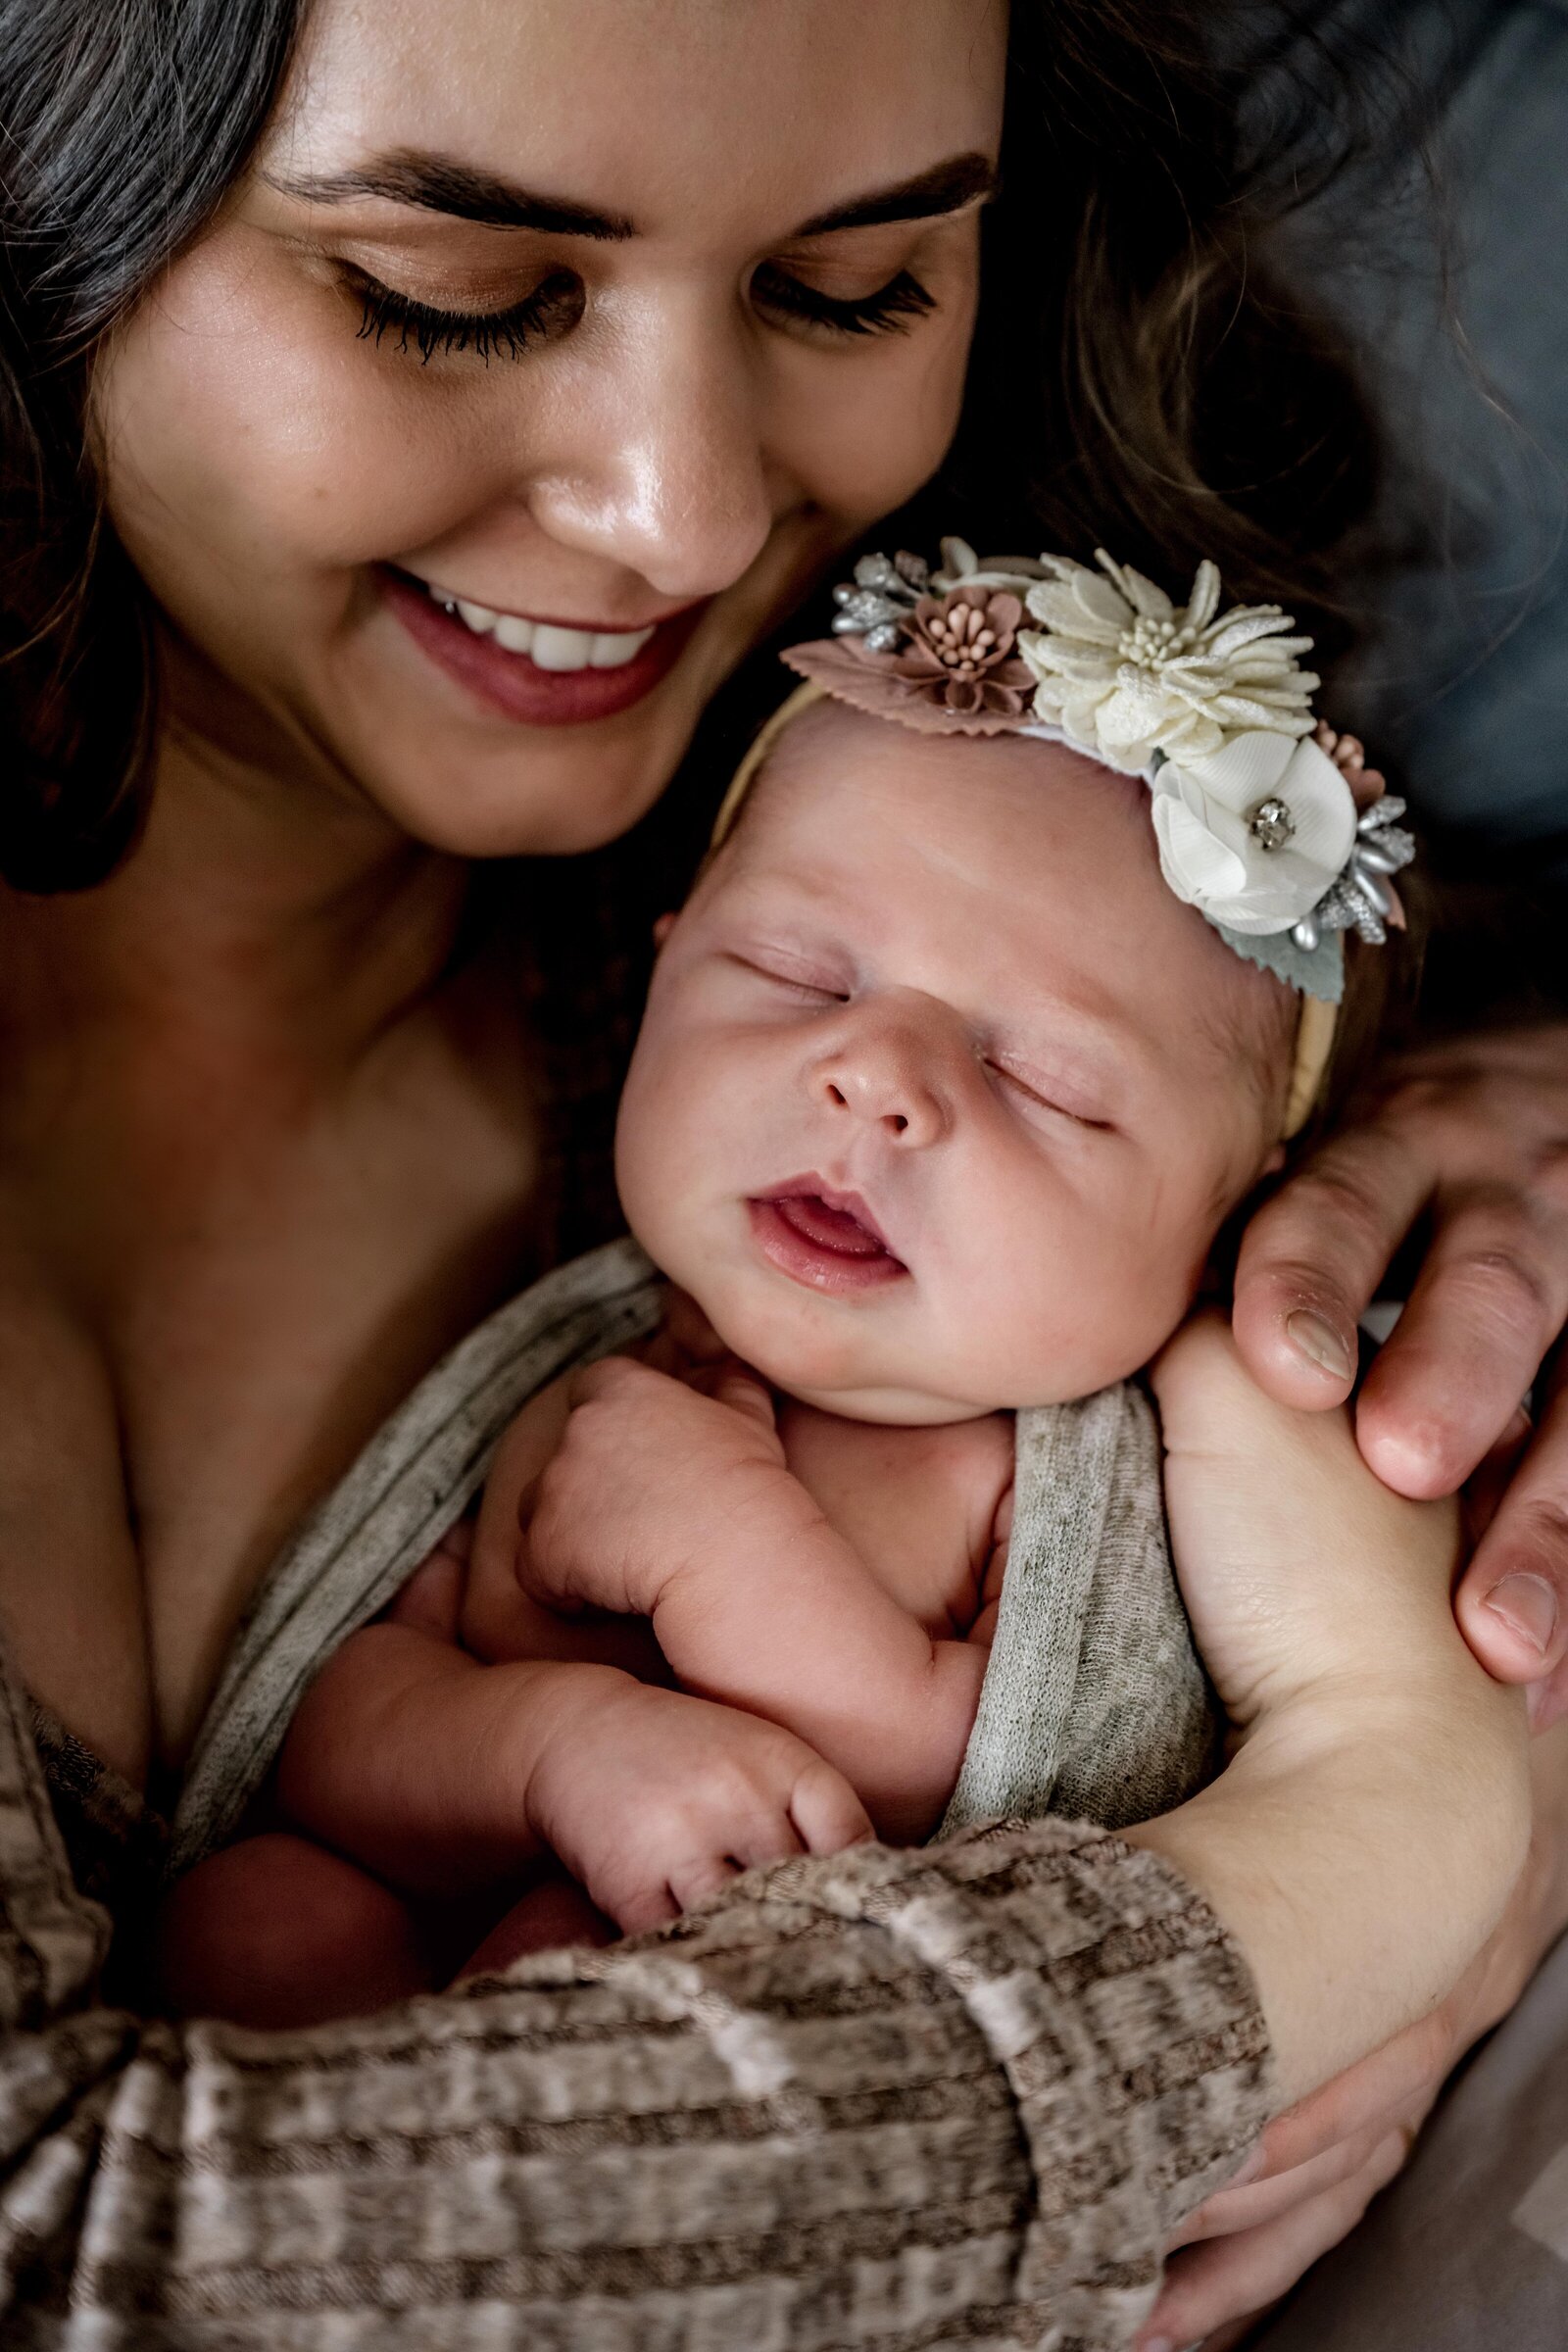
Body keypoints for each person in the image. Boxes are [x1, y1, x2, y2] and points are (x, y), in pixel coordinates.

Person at [0, 0, 1563, 2337]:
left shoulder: (1031, 894)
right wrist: (1374, 1844)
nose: (690, 517)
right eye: (448, 293)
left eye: (852, 285)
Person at [156, 542, 1421, 2026]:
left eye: (1047, 1084)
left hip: (801, 2064)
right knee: (252, 1915)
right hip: (435, 1953)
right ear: (663, 970)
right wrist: (552, 1749)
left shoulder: (1063, 1491)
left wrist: (721, 1544)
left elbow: (990, 1795)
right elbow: (345, 1726)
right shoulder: (578, 1365)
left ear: (1227, 1230)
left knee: (602, 1970)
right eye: (797, 974)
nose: (876, 1079)